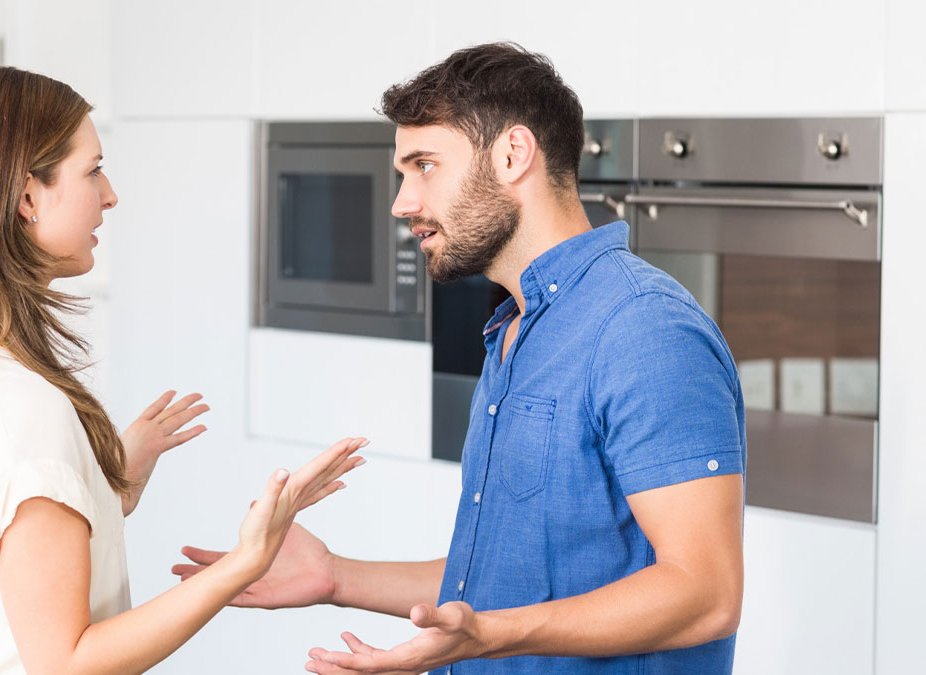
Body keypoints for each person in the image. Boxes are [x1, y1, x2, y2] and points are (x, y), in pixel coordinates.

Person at [174, 43, 746, 674]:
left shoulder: (643, 329)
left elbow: (705, 595)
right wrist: (335, 577)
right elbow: (504, 577)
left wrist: (491, 635)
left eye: (424, 165)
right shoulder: (516, 328)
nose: (402, 202)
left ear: (512, 155)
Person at [0, 65, 366, 674]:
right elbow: (67, 663)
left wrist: (105, 481)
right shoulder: (22, 410)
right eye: (93, 169)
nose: (110, 194)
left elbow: (3, 543)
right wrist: (248, 560)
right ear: (27, 196)